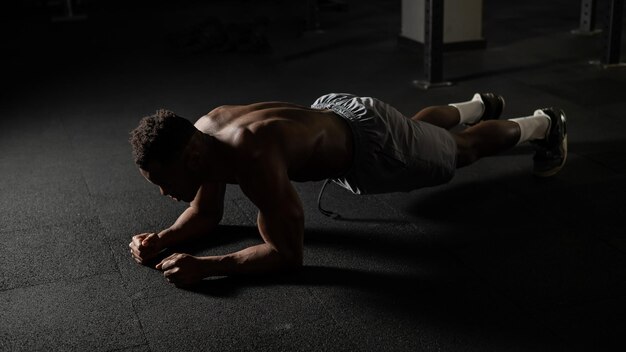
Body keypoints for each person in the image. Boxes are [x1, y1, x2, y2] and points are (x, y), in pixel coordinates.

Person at [128, 92, 567, 286]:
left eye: (164, 182)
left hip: (372, 149)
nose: (165, 192)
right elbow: (207, 214)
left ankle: (545, 125)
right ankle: (478, 105)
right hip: (337, 110)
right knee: (416, 130)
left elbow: (287, 254)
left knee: (462, 151)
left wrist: (206, 266)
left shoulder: (253, 159)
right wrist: (162, 240)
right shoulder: (204, 132)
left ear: (190, 159)